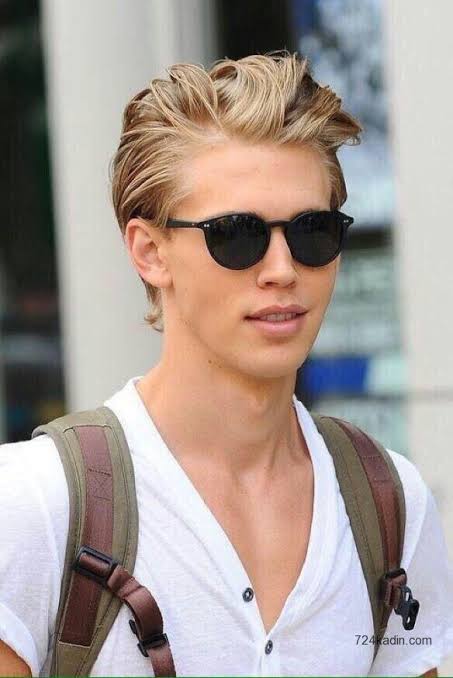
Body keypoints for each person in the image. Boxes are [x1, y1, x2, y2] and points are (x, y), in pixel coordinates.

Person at [0, 50, 452, 678]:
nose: (283, 269)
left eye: (313, 231)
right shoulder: (35, 505)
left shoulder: (389, 503)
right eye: (237, 235)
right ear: (150, 251)